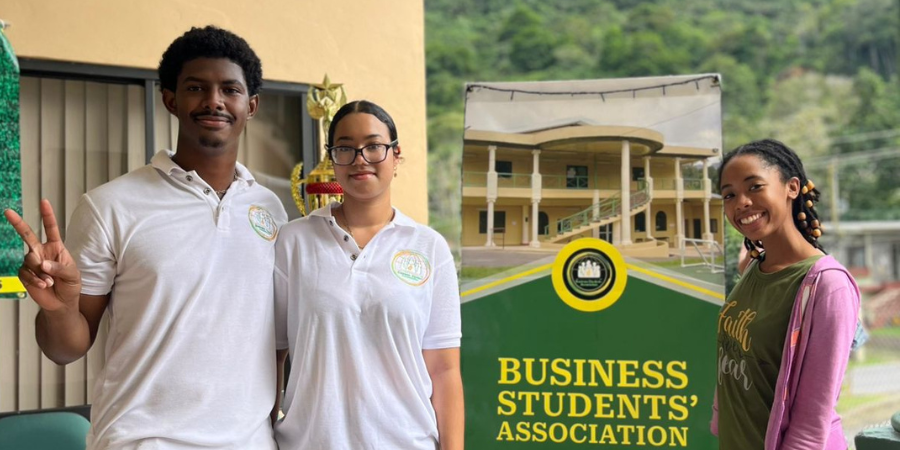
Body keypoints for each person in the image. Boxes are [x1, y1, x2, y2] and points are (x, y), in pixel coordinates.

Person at [5, 26, 286, 449]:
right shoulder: (110, 205)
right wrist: (59, 310)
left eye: (230, 90)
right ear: (170, 100)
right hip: (141, 440)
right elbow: (65, 349)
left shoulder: (271, 210)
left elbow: (276, 342)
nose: (214, 101)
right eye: (196, 88)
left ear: (251, 105)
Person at [273, 100, 464, 449]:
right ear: (332, 158)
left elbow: (444, 370)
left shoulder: (429, 247)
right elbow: (274, 354)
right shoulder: (294, 240)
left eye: (374, 146)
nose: (360, 159)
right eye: (345, 148)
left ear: (396, 156)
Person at [711, 139, 860, 450]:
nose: (741, 203)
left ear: (792, 187)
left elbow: (811, 423)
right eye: (729, 195)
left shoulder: (829, 286)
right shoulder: (755, 268)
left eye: (754, 187)